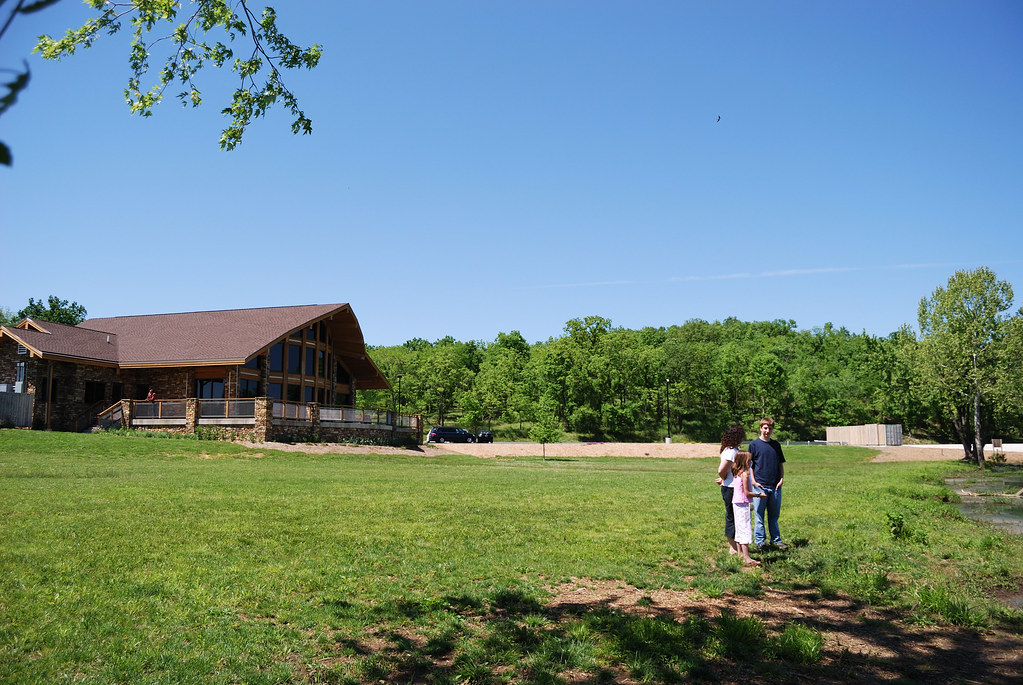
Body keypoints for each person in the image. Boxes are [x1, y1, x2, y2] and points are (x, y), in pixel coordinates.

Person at [749, 417, 787, 550]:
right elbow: (751, 466)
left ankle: (776, 540)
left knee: (774, 515)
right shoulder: (753, 445)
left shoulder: (776, 445)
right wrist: (753, 481)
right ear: (760, 428)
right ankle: (760, 541)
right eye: (765, 428)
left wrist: (781, 478)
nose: (767, 430)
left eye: (770, 428)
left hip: (775, 486)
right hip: (760, 486)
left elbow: (780, 464)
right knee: (759, 515)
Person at [715, 424, 747, 555]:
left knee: (736, 517)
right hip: (730, 488)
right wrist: (723, 479)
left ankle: (736, 546)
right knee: (732, 517)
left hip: (733, 487)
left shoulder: (733, 450)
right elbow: (721, 470)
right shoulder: (730, 452)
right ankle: (733, 547)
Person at [731, 450, 766, 565]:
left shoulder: (736, 472)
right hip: (743, 504)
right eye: (749, 460)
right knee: (745, 528)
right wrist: (758, 495)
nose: (751, 462)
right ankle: (747, 558)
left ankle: (740, 553)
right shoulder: (745, 474)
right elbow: (747, 492)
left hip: (736, 503)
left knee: (739, 528)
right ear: (744, 461)